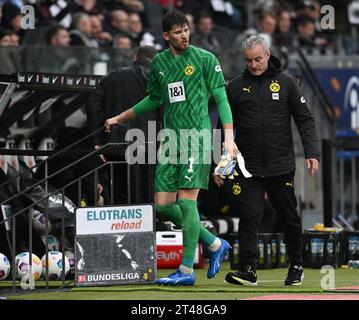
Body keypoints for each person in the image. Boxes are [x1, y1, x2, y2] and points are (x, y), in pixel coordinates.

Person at [105, 9, 238, 286]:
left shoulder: (205, 59)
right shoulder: (160, 63)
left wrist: (228, 137)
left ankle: (187, 269)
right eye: (177, 32)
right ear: (166, 36)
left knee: (186, 202)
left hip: (197, 138)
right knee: (163, 206)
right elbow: (154, 99)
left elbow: (221, 98)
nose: (184, 35)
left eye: (186, 30)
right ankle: (214, 243)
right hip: (170, 140)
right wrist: (120, 117)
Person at [216, 35, 320, 286]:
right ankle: (248, 270)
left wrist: (312, 152)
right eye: (249, 60)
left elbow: (304, 119)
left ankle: (296, 266)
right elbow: (223, 130)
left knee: (289, 216)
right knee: (249, 215)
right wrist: (221, 165)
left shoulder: (287, 83)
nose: (253, 64)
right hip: (247, 166)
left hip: (280, 166)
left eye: (258, 59)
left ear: (268, 55)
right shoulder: (235, 86)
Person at [87, 45, 158, 204]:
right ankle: (148, 225)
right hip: (151, 145)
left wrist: (97, 141)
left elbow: (93, 107)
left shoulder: (112, 76)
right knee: (148, 193)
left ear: (135, 58)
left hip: (117, 145)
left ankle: (125, 226)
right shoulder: (159, 79)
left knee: (121, 193)